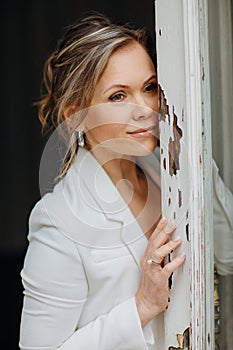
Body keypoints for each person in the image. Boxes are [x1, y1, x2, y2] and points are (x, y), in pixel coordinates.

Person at [19, 12, 233, 350]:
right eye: (118, 96)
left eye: (149, 88)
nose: (145, 108)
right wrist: (142, 306)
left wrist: (197, 163)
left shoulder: (172, 175)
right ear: (75, 115)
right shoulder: (59, 219)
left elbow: (228, 256)